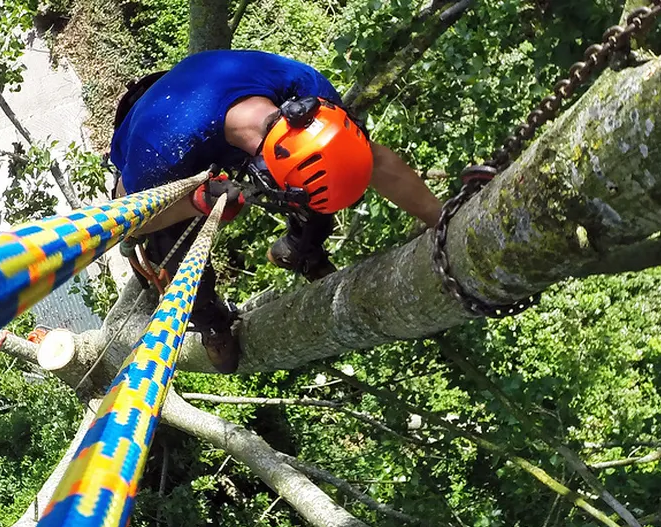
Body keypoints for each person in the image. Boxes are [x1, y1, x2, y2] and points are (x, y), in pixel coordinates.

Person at [110, 49, 443, 372]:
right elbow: (131, 218)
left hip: (210, 92)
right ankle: (210, 320)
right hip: (155, 119)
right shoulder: (158, 154)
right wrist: (194, 203)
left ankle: (300, 249)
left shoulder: (310, 93)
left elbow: (372, 160)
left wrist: (439, 218)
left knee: (319, 182)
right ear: (264, 174)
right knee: (171, 247)